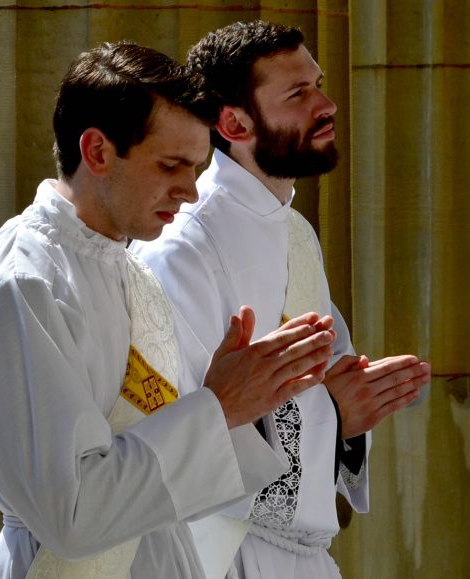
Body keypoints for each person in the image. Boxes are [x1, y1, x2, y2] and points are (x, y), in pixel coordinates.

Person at [0, 41, 344, 579]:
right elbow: (74, 517)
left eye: (196, 167)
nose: (191, 192)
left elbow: (166, 475)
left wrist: (239, 405)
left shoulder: (129, 274)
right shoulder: (13, 289)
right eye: (171, 165)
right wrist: (218, 409)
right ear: (98, 151)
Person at [132, 20, 431, 578]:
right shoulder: (182, 248)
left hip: (305, 557)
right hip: (223, 556)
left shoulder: (295, 232)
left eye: (318, 84)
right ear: (233, 122)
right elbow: (180, 431)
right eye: (299, 94)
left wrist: (351, 410)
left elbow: (330, 383)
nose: (327, 104)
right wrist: (334, 415)